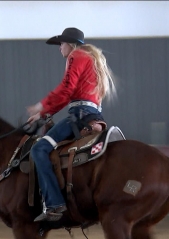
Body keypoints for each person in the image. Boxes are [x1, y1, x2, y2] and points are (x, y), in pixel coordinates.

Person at [26, 27, 117, 222]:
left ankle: (54, 203)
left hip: (80, 115)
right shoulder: (91, 60)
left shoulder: (76, 56)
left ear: (70, 44)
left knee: (39, 150)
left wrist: (40, 107)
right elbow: (68, 96)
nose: (60, 47)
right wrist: (45, 112)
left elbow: (66, 90)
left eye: (61, 43)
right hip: (92, 113)